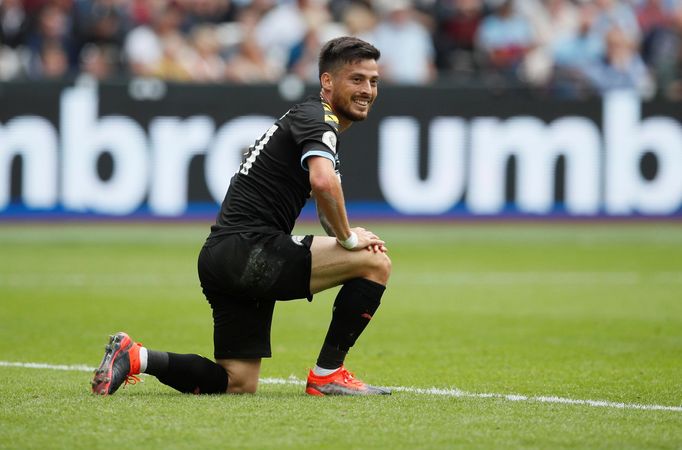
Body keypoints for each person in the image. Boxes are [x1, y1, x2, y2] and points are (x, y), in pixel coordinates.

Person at [91, 36, 392, 397]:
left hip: (221, 255)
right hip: (251, 250)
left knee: (237, 383)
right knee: (374, 263)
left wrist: (341, 232)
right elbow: (324, 183)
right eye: (357, 79)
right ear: (327, 81)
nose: (368, 90)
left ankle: (136, 356)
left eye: (373, 81)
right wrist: (348, 239)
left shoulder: (305, 120)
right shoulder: (318, 116)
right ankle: (329, 373)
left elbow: (324, 193)